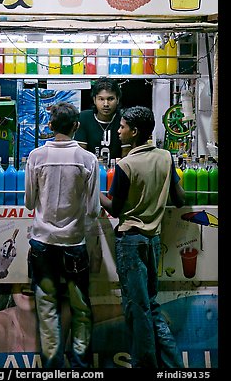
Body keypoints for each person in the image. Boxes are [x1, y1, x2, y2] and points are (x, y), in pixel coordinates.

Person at [100, 105, 185, 369]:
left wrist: (93, 190)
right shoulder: (165, 157)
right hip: (153, 241)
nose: (119, 130)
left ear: (134, 132)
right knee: (150, 305)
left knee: (138, 311)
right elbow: (180, 200)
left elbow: (114, 208)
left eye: (123, 126)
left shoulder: (126, 165)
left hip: (131, 242)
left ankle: (145, 365)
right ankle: (173, 366)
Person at [24, 101, 101, 368]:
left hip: (42, 243)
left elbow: (29, 202)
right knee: (80, 307)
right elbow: (93, 209)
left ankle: (52, 366)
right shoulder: (88, 159)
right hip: (74, 244)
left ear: (50, 126)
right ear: (76, 127)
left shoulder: (35, 157)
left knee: (47, 307)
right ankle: (81, 365)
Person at [74, 77, 122, 165]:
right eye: (101, 99)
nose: (106, 104)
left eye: (110, 99)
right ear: (94, 100)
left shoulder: (123, 119)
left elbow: (127, 155)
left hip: (117, 172)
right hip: (90, 172)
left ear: (118, 99)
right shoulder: (84, 118)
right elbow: (81, 155)